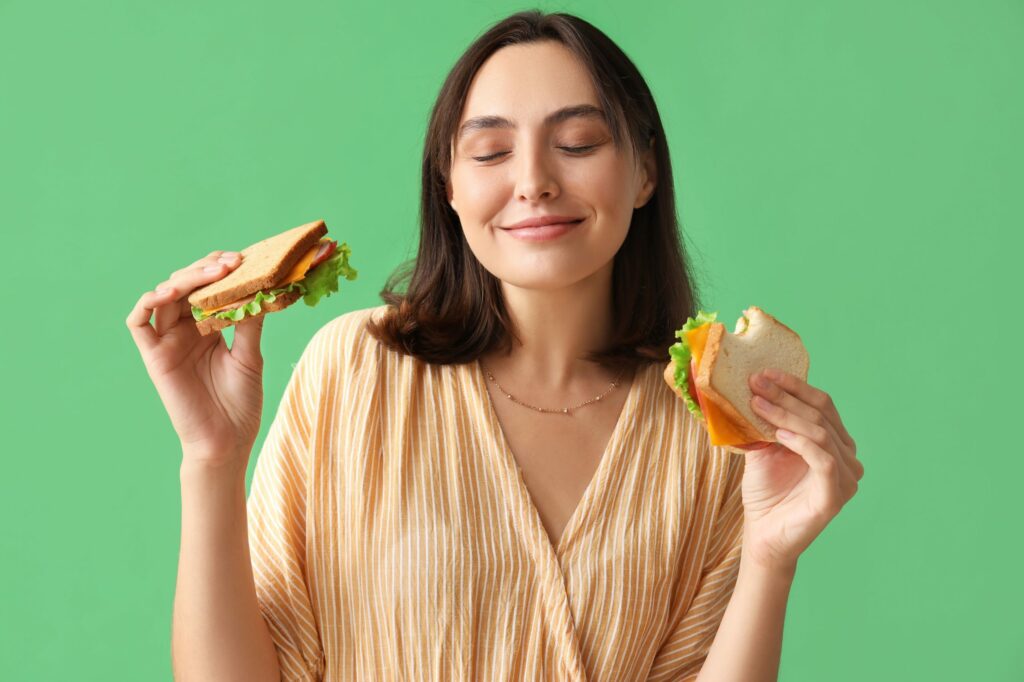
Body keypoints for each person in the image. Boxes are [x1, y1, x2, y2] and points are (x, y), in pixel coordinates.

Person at [127, 10, 863, 682]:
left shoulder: (712, 433)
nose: (534, 181)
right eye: (490, 152)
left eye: (577, 143)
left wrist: (770, 558)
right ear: (448, 184)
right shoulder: (353, 369)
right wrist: (213, 461)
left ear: (644, 170)